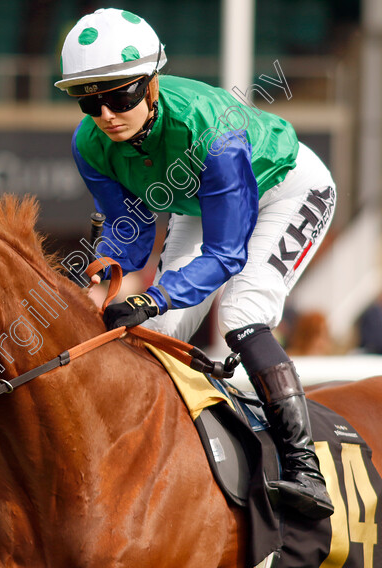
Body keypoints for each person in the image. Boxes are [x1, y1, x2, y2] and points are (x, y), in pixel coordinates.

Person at [57, 8, 335, 519]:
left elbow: (226, 254)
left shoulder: (209, 130)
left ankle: (303, 468)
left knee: (241, 311)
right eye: (89, 102)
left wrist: (152, 294)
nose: (107, 115)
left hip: (285, 188)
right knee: (160, 330)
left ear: (152, 84)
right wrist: (97, 282)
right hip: (198, 202)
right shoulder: (89, 143)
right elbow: (132, 234)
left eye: (120, 96)